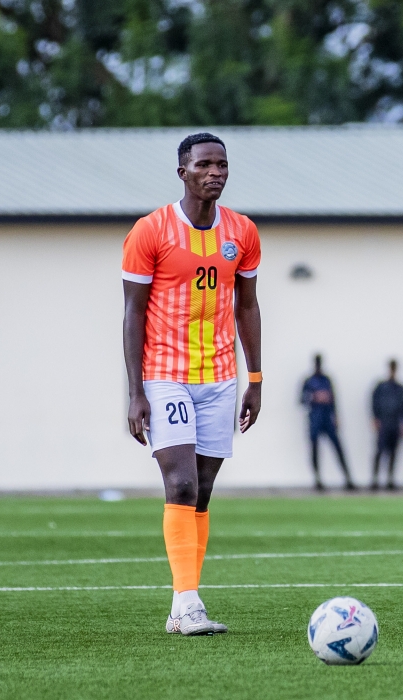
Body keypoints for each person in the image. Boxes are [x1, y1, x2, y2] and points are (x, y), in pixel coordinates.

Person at [122, 132, 263, 636]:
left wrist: (256, 378)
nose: (216, 172)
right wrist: (135, 389)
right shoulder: (151, 231)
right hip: (165, 375)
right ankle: (187, 602)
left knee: (200, 492)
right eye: (204, 164)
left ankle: (184, 602)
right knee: (179, 482)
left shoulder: (242, 231)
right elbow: (133, 313)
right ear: (182, 171)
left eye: (222, 164)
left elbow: (246, 305)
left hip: (220, 378)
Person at [301, 354, 355, 490]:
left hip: (327, 419)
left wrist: (336, 416)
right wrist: (314, 397)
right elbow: (301, 399)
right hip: (315, 419)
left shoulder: (327, 380)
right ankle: (317, 479)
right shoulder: (308, 381)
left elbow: (334, 399)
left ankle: (348, 478)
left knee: (338, 447)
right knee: (315, 450)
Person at [371, 359, 403, 490]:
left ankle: (390, 479)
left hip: (394, 424)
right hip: (384, 423)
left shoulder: (399, 388)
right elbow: (374, 403)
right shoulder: (381, 387)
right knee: (380, 451)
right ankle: (375, 479)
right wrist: (375, 418)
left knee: (393, 453)